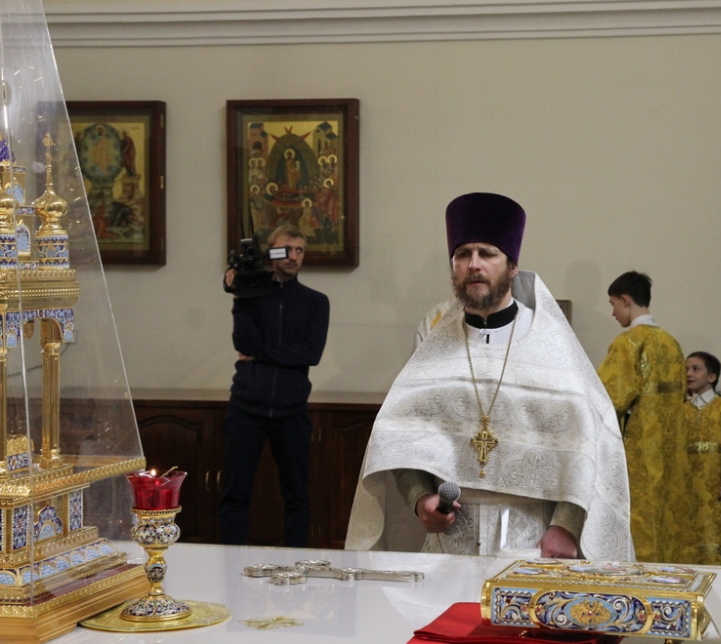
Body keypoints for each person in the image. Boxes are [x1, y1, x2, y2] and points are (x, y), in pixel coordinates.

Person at [345, 192, 632, 561]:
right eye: (463, 254)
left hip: (533, 543)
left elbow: (591, 443)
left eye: (487, 254)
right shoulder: (434, 354)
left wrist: (567, 525)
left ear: (512, 267)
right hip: (448, 548)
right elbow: (397, 441)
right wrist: (420, 497)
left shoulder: (551, 347)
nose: (473, 264)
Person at [218, 224, 330, 547]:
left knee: (297, 495)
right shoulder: (252, 296)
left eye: (300, 251)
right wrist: (239, 295)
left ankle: (294, 562)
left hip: (291, 410)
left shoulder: (315, 302)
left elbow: (310, 353)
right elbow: (244, 343)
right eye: (286, 250)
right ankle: (229, 562)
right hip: (246, 407)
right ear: (271, 252)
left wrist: (262, 354)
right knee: (235, 493)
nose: (293, 257)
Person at [596, 271, 684, 562]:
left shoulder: (629, 343)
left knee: (640, 520)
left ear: (625, 300)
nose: (613, 312)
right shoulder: (671, 343)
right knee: (665, 519)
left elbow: (608, 399)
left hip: (639, 452)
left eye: (613, 304)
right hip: (670, 451)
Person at [673, 351, 721, 565]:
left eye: (696, 369)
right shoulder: (679, 410)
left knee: (718, 532)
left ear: (712, 377)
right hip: (686, 486)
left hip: (717, 484)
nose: (689, 374)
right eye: (686, 369)